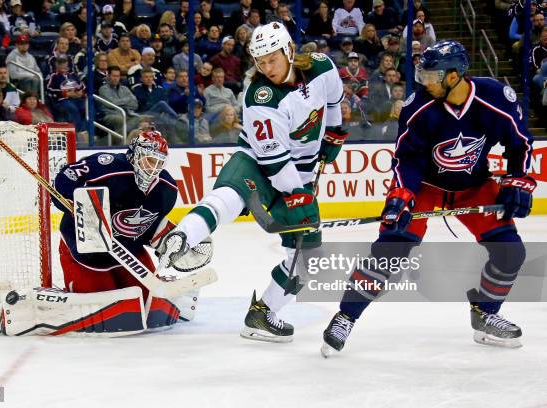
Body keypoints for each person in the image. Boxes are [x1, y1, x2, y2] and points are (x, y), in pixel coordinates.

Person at [321, 40, 535, 356]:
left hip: (473, 187)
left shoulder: (493, 98)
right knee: (391, 249)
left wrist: (519, 181)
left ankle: (486, 312)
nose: (424, 82)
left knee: (510, 253)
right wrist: (401, 195)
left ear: (453, 76)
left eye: (431, 75)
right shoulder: (418, 106)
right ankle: (346, 316)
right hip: (425, 186)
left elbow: (521, 144)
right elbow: (406, 158)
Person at [157, 22, 347, 343]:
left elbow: (331, 102)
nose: (266, 67)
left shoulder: (322, 67)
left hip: (299, 171)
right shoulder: (261, 96)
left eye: (272, 59)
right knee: (229, 196)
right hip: (259, 162)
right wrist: (297, 194)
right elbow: (274, 162)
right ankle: (182, 237)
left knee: (307, 260)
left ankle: (263, 313)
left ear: (288, 50)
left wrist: (334, 134)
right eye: (260, 61)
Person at [5, 130, 209, 334]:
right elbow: (65, 178)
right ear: (135, 155)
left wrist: (166, 241)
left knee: (147, 301)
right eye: (149, 160)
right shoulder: (107, 167)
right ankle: (43, 310)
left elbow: (147, 228)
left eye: (159, 162)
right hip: (86, 252)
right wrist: (67, 199)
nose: (153, 168)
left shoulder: (166, 189)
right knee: (107, 302)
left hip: (129, 254)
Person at [98, 65, 140, 142]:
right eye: (113, 76)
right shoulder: (103, 89)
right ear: (108, 76)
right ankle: (122, 144)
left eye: (117, 76)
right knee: (119, 119)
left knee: (145, 118)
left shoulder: (125, 88)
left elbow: (135, 104)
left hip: (128, 114)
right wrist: (128, 100)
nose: (116, 78)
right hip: (111, 115)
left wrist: (120, 101)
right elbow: (111, 104)